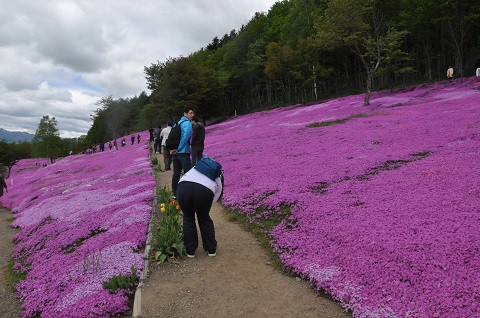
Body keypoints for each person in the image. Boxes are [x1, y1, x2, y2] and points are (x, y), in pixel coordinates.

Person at [177, 162, 223, 258]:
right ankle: (211, 249)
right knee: (204, 218)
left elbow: (183, 178)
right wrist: (207, 207)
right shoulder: (217, 173)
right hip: (204, 191)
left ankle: (190, 251)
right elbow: (219, 192)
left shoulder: (195, 168)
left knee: (188, 218)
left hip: (183, 187)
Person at [171, 107, 194, 197]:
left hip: (175, 153)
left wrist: (173, 149)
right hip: (183, 152)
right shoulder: (188, 123)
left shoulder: (177, 123)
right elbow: (186, 137)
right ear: (185, 114)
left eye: (193, 113)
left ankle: (174, 192)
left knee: (176, 172)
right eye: (190, 113)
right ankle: (187, 193)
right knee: (188, 172)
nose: (192, 115)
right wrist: (179, 148)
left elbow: (172, 138)